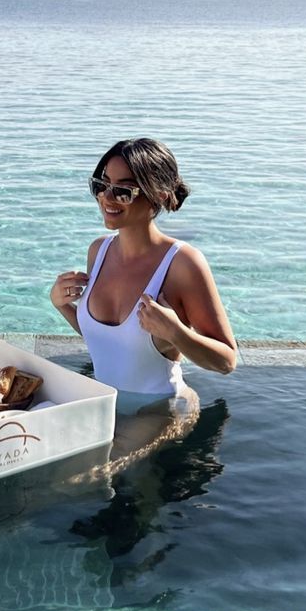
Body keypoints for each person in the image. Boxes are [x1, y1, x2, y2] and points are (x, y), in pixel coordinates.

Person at [50, 137, 237, 461]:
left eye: (123, 190)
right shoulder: (99, 251)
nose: (107, 198)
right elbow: (113, 344)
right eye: (101, 185)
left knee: (85, 478)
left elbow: (226, 362)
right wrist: (62, 305)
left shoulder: (182, 264)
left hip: (160, 408)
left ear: (159, 194)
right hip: (105, 401)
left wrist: (177, 333)